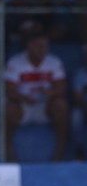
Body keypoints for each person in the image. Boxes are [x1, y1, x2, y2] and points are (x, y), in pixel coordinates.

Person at [4, 24, 68, 162]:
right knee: (9, 108)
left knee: (61, 105)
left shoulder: (54, 62)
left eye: (45, 45)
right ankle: (8, 153)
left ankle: (59, 154)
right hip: (24, 106)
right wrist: (24, 98)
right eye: (39, 45)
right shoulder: (16, 62)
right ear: (29, 46)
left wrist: (50, 93)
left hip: (46, 106)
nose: (43, 49)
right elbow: (10, 90)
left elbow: (61, 88)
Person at [71, 45, 87, 159]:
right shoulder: (81, 74)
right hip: (84, 107)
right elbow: (78, 98)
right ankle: (79, 150)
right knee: (76, 117)